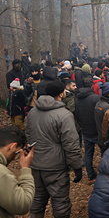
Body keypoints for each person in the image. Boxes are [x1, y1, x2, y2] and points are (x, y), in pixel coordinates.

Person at [26, 80, 83, 218]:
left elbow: (28, 135)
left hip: (36, 163)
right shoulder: (64, 115)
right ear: (61, 93)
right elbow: (71, 143)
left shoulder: (33, 112)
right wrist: (77, 166)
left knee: (37, 200)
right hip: (55, 166)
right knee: (60, 203)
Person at [0, 126, 35, 218]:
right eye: (16, 153)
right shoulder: (2, 174)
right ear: (12, 147)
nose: (15, 157)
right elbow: (22, 205)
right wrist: (25, 168)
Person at [75, 77, 101, 183]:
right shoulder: (96, 98)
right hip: (95, 129)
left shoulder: (77, 98)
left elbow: (76, 113)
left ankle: (91, 174)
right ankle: (105, 172)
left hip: (85, 128)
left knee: (88, 152)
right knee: (104, 150)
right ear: (92, 85)